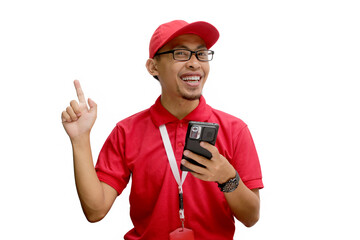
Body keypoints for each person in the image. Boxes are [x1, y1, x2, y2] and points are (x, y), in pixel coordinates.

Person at [61, 20, 263, 240]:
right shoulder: (126, 131)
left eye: (201, 54)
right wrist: (80, 140)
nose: (195, 63)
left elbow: (251, 217)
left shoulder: (235, 130)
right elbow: (95, 210)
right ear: (153, 67)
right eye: (181, 53)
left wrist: (227, 177)